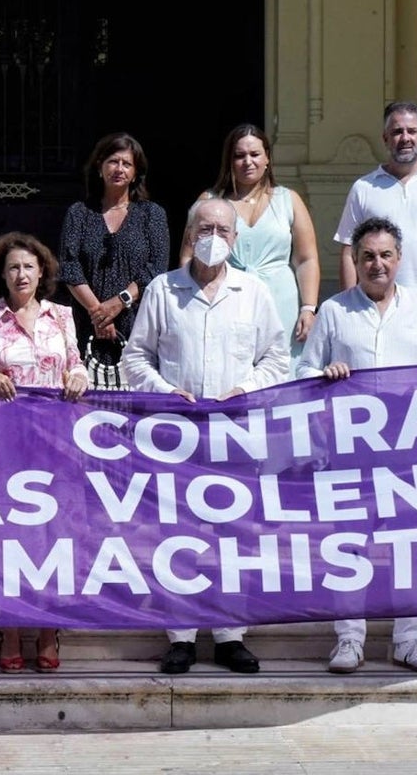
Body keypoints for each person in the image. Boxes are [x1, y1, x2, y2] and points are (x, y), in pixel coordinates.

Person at [123, 197, 290, 674]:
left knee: (234, 536)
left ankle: (230, 634)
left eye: (223, 229)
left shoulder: (253, 292)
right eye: (205, 227)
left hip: (236, 434)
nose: (213, 236)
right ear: (190, 234)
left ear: (235, 240)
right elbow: (135, 360)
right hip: (176, 435)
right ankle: (180, 635)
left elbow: (276, 360)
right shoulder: (162, 290)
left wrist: (245, 390)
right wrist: (166, 393)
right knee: (177, 535)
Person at [297, 216, 417, 675]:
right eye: (367, 255)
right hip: (349, 456)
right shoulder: (333, 311)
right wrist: (325, 378)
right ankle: (349, 639)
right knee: (349, 545)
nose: (377, 264)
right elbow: (303, 374)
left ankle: (409, 640)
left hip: (410, 455)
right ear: (355, 260)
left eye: (385, 255)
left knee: (408, 545)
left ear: (399, 259)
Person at [0, 231, 89, 672]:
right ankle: (12, 626)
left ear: (42, 273)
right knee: (9, 535)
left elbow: (75, 363)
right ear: (1, 273)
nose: (21, 274)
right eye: (13, 267)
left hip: (56, 445)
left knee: (53, 535)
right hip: (5, 446)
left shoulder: (62, 317)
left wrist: (79, 376)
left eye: (29, 267)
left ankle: (49, 627)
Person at [333, 101, 417, 344]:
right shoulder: (364, 188)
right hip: (374, 303)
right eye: (397, 132)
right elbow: (348, 252)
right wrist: (349, 304)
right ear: (385, 138)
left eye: (412, 131)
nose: (405, 138)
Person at [187, 123, 320, 367]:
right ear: (229, 161)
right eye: (239, 156)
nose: (248, 161)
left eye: (255, 154)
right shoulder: (210, 201)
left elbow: (306, 259)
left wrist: (308, 308)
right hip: (225, 297)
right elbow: (188, 256)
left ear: (267, 158)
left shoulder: (288, 199)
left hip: (281, 299)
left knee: (281, 368)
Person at [58, 132, 169, 389]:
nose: (119, 169)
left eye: (126, 164)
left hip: (138, 320)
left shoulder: (151, 214)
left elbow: (156, 267)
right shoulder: (79, 213)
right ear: (99, 166)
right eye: (113, 161)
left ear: (135, 172)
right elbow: (70, 266)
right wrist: (99, 314)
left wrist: (119, 303)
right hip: (88, 321)